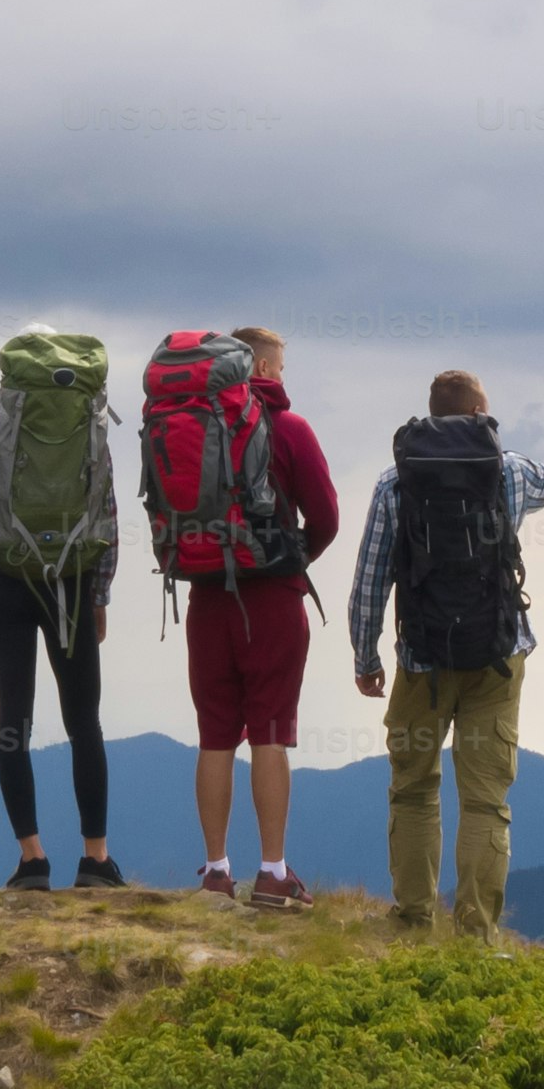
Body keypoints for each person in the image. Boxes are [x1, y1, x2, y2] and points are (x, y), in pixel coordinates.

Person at [349, 370, 544, 937]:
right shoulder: (508, 470)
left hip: (421, 660)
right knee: (485, 800)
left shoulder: (395, 483)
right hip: (498, 657)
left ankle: (411, 921)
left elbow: (370, 580)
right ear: (481, 411)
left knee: (413, 789)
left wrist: (367, 658)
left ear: (430, 414)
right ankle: (475, 932)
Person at [0, 325, 125, 889]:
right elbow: (107, 517)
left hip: (8, 584)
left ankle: (32, 860)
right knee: (85, 722)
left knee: (14, 722)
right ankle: (95, 859)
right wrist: (99, 594)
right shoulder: (92, 427)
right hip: (74, 585)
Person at [188, 325, 335, 908]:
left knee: (215, 731)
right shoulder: (290, 428)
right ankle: (272, 873)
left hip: (206, 596)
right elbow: (324, 516)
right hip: (272, 597)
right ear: (267, 370)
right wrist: (290, 560)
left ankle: (215, 871)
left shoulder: (192, 426)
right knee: (270, 730)